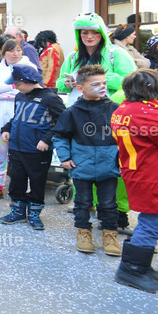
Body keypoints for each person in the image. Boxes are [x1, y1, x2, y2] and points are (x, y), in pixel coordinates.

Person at [110, 68, 158, 294]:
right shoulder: (154, 115)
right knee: (154, 224)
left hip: (136, 173)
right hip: (156, 177)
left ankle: (141, 265)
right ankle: (132, 270)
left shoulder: (122, 110)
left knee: (150, 220)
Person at [51, 65, 121, 256]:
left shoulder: (115, 109)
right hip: (82, 166)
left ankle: (110, 234)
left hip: (109, 166)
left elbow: (124, 136)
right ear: (80, 88)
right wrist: (64, 157)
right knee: (82, 202)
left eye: (104, 83)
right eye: (96, 84)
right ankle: (84, 232)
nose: (102, 87)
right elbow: (60, 135)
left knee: (108, 203)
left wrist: (121, 158)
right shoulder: (72, 112)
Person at [0, 64, 66, 230]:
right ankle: (18, 211)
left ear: (29, 80)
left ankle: (35, 213)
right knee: (16, 180)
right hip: (16, 148)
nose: (15, 87)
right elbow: (16, 117)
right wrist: (6, 129)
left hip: (37, 150)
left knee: (37, 181)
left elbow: (64, 121)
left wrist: (47, 139)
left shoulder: (50, 98)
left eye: (18, 83)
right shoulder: (20, 96)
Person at [0, 39, 37, 203]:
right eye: (11, 50)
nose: (15, 53)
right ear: (3, 53)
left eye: (18, 50)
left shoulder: (29, 67)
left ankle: (22, 191)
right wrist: (12, 87)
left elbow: (29, 90)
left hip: (20, 118)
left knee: (20, 157)